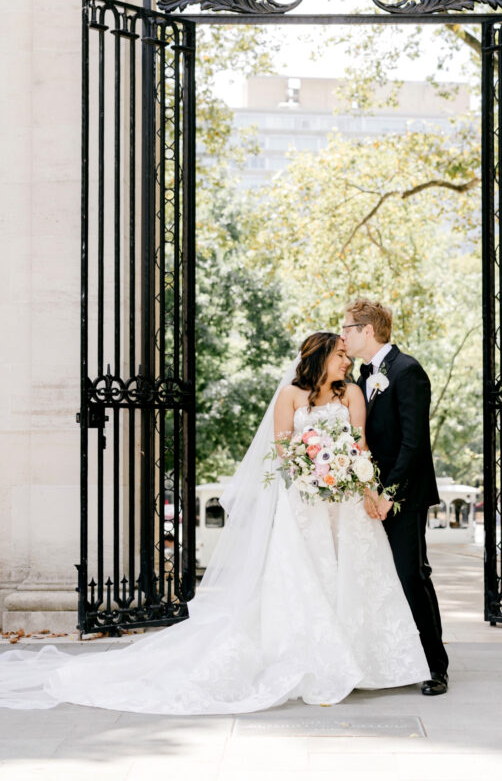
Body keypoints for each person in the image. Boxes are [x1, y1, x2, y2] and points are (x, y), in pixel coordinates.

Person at [0, 332, 429, 714]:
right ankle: (318, 660)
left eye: (347, 356)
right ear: (318, 356)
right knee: (308, 578)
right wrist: (311, 470)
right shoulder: (290, 396)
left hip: (345, 502)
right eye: (340, 354)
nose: (346, 362)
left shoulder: (350, 393)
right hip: (303, 500)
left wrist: (366, 487)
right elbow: (280, 452)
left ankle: (361, 660)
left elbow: (360, 444)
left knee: (352, 577)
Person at [342, 299, 449, 696]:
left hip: (404, 496)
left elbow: (415, 443)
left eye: (347, 328)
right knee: (375, 577)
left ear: (367, 331)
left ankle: (436, 666)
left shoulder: (408, 371)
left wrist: (389, 495)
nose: (343, 335)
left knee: (411, 576)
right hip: (368, 498)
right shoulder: (359, 376)